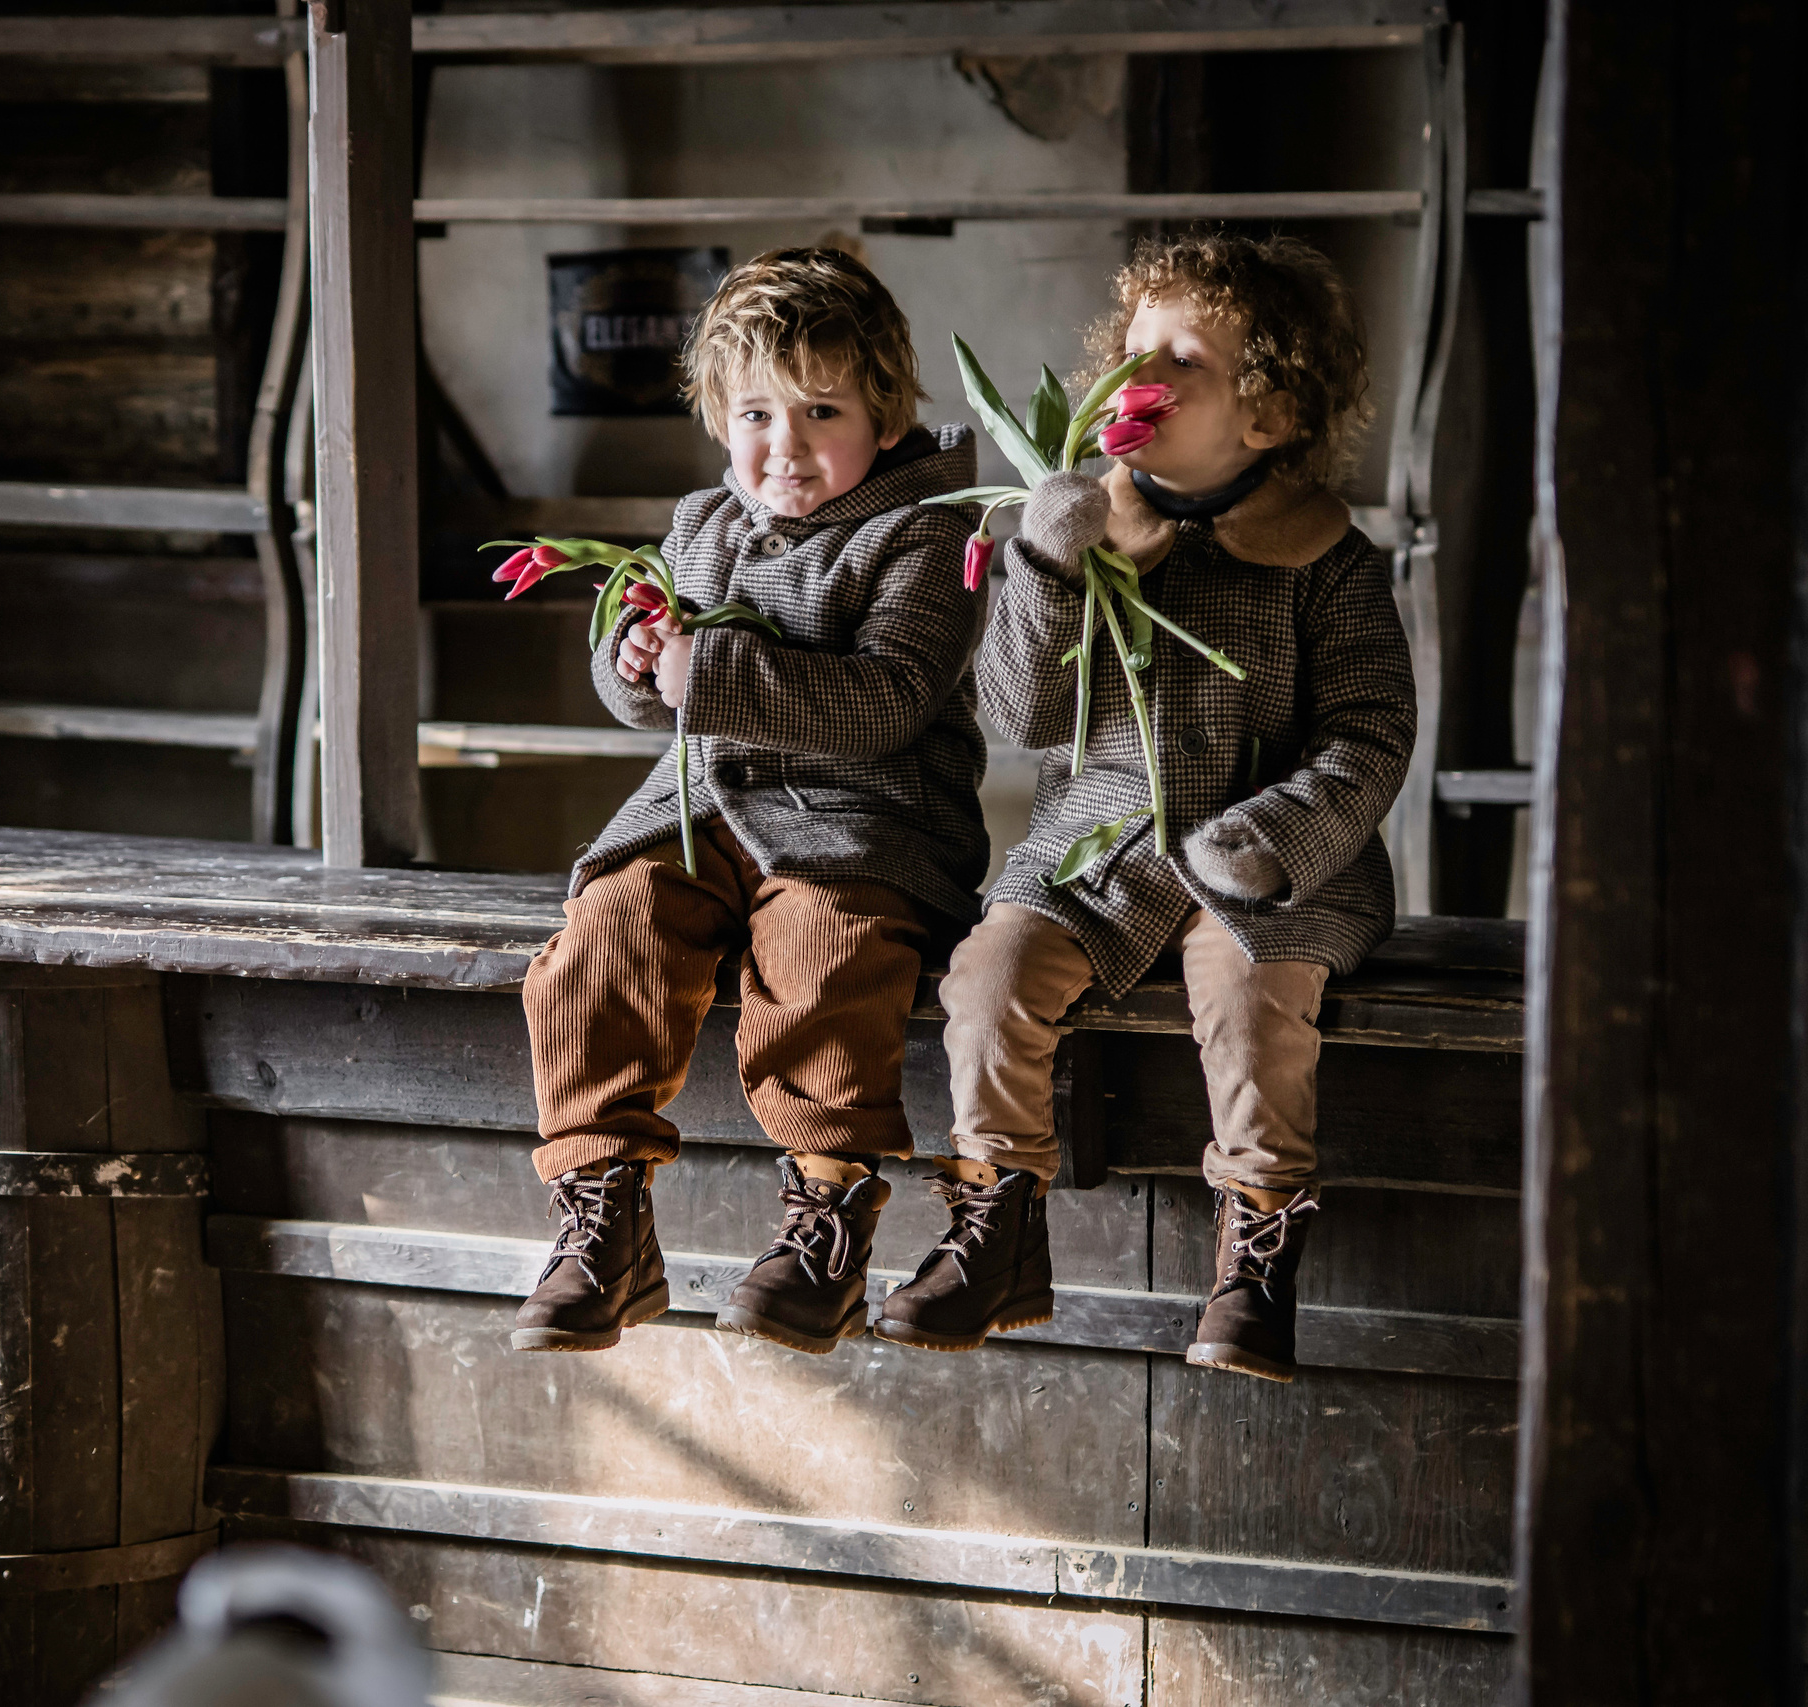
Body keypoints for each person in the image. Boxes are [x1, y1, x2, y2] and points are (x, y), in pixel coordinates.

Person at [876, 232, 1416, 1382]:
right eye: (1130, 353)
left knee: (1255, 995)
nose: (1139, 379)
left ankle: (1255, 1253)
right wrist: (1046, 567)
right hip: (1102, 837)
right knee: (989, 978)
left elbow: (1369, 737)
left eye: (1185, 360)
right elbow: (1020, 712)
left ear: (1266, 414)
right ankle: (995, 1221)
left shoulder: (1329, 563)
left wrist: (1274, 840)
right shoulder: (1085, 528)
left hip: (1269, 857)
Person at [511, 246, 990, 1357]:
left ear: (884, 409)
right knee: (605, 931)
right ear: (720, 418)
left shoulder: (926, 530)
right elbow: (659, 701)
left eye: (821, 410)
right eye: (756, 415)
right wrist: (635, 668)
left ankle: (824, 1213)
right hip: (699, 814)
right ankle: (603, 1214)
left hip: (863, 821)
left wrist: (710, 676)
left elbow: (892, 698)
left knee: (828, 955)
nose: (785, 446)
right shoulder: (701, 524)